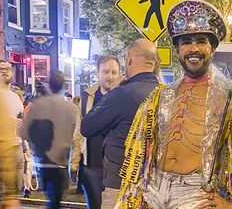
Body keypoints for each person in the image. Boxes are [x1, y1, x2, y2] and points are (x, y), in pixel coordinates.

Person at [117, 0, 232, 209]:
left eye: (201, 41)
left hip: (195, 194)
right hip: (153, 191)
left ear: (213, 48)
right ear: (178, 49)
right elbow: (140, 155)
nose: (193, 48)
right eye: (186, 42)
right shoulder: (159, 97)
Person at [81, 39, 160, 209]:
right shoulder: (165, 94)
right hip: (154, 187)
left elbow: (87, 126)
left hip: (121, 185)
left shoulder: (122, 94)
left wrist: (112, 93)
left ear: (129, 58)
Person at [21, 71, 78, 209]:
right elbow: (77, 136)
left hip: (42, 162)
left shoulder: (37, 105)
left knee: (52, 200)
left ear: (48, 85)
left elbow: (24, 132)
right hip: (61, 162)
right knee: (55, 201)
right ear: (64, 86)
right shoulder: (72, 109)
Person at [71, 55, 122, 209]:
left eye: (114, 72)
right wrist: (74, 162)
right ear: (97, 73)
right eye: (106, 72)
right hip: (92, 165)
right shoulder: (88, 97)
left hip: (116, 167)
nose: (110, 76)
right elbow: (79, 131)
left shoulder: (123, 95)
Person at [0, 61, 24, 195]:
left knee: (15, 191)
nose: (5, 71)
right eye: (0, 69)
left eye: (8, 69)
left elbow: (20, 120)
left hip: (16, 147)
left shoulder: (15, 97)